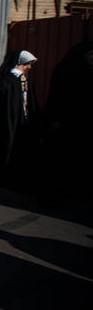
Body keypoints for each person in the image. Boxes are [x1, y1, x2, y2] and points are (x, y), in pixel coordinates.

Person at [0, 50, 39, 193]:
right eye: (26, 64)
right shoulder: (6, 80)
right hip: (6, 124)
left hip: (22, 122)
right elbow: (2, 98)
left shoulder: (25, 80)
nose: (29, 68)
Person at [45, 43, 93, 200]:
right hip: (63, 123)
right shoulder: (65, 71)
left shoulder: (86, 71)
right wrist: (55, 118)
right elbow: (57, 98)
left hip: (80, 123)